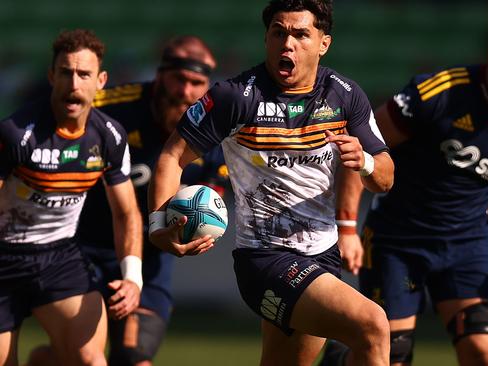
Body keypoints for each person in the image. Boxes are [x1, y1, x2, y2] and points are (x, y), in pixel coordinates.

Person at [147, 0, 395, 365]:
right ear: (266, 38)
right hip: (264, 260)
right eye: (278, 33)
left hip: (323, 257)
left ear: (323, 43)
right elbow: (171, 156)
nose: (287, 44)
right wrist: (158, 224)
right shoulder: (234, 96)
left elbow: (385, 178)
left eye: (300, 34)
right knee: (373, 326)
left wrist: (367, 163)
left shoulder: (345, 95)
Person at [322, 19, 488, 366]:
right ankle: (340, 359)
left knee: (483, 351)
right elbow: (364, 149)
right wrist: (348, 227)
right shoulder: (439, 93)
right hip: (399, 242)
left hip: (467, 245)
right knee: (390, 354)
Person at [27, 36, 222, 366]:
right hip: (82, 250)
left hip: (151, 259)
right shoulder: (111, 107)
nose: (187, 91)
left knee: (133, 358)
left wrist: (192, 233)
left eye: (197, 83)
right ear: (160, 76)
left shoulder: (211, 126)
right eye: (180, 79)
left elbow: (212, 194)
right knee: (76, 358)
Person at [0, 29, 142, 366]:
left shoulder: (109, 137)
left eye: (84, 74)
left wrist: (132, 277)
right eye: (65, 72)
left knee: (90, 361)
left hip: (59, 258)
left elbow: (126, 213)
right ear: (52, 76)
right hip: (3, 257)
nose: (74, 84)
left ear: (101, 80)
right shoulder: (16, 134)